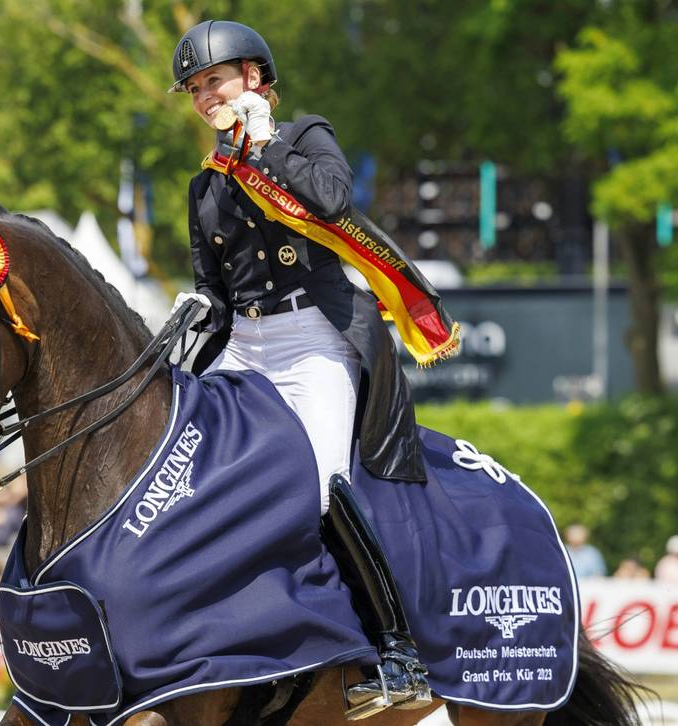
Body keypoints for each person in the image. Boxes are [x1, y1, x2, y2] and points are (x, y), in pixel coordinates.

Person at [167, 20, 452, 714]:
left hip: (313, 338)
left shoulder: (302, 137)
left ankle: (397, 652)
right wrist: (192, 312)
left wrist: (264, 147)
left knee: (323, 486)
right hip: (244, 345)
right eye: (196, 89)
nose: (206, 97)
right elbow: (215, 288)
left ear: (254, 78)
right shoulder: (204, 187)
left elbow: (330, 201)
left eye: (215, 81)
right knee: (176, 474)